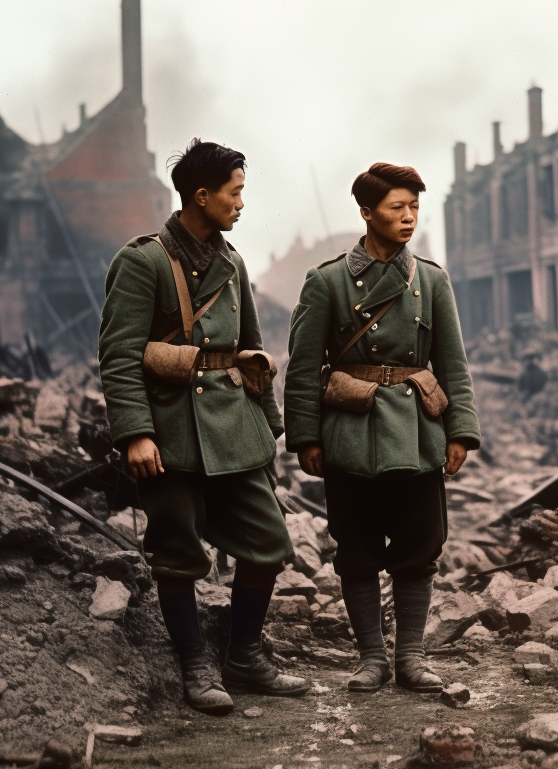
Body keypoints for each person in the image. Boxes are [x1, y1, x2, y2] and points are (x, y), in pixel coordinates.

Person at [98, 140, 307, 715]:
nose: (241, 204)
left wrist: (269, 431)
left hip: (234, 425)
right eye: (235, 193)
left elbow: (253, 352)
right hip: (171, 432)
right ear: (201, 196)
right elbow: (118, 355)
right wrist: (135, 432)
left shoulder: (234, 262)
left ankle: (243, 656)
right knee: (177, 554)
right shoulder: (142, 261)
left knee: (268, 545)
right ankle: (195, 665)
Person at [283, 162, 480, 693]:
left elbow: (453, 364)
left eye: (415, 207)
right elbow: (302, 367)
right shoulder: (327, 281)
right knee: (358, 547)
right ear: (367, 213)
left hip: (418, 431)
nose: (409, 217)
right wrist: (304, 437)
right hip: (352, 431)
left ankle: (411, 657)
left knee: (421, 546)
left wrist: (460, 431)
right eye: (398, 207)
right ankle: (371, 658)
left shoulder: (432, 281)